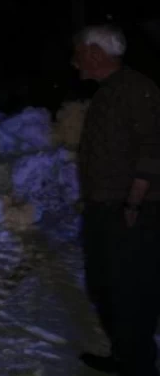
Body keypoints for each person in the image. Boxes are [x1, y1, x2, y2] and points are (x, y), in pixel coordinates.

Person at [73, 24, 160, 376]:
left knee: (131, 290)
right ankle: (124, 354)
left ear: (95, 54)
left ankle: (139, 364)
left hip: (132, 210)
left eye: (78, 52)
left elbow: (154, 148)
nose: (73, 61)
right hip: (105, 207)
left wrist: (133, 203)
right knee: (104, 283)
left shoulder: (137, 89)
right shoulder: (108, 91)